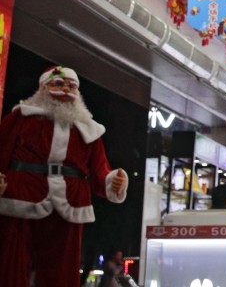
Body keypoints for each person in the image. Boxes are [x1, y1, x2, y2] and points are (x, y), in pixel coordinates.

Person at [0, 66, 129, 287]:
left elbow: (100, 170)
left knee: (63, 271)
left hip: (70, 203)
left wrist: (113, 182)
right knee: (11, 263)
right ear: (43, 88)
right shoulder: (21, 117)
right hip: (20, 195)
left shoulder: (89, 130)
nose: (65, 90)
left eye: (71, 86)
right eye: (58, 84)